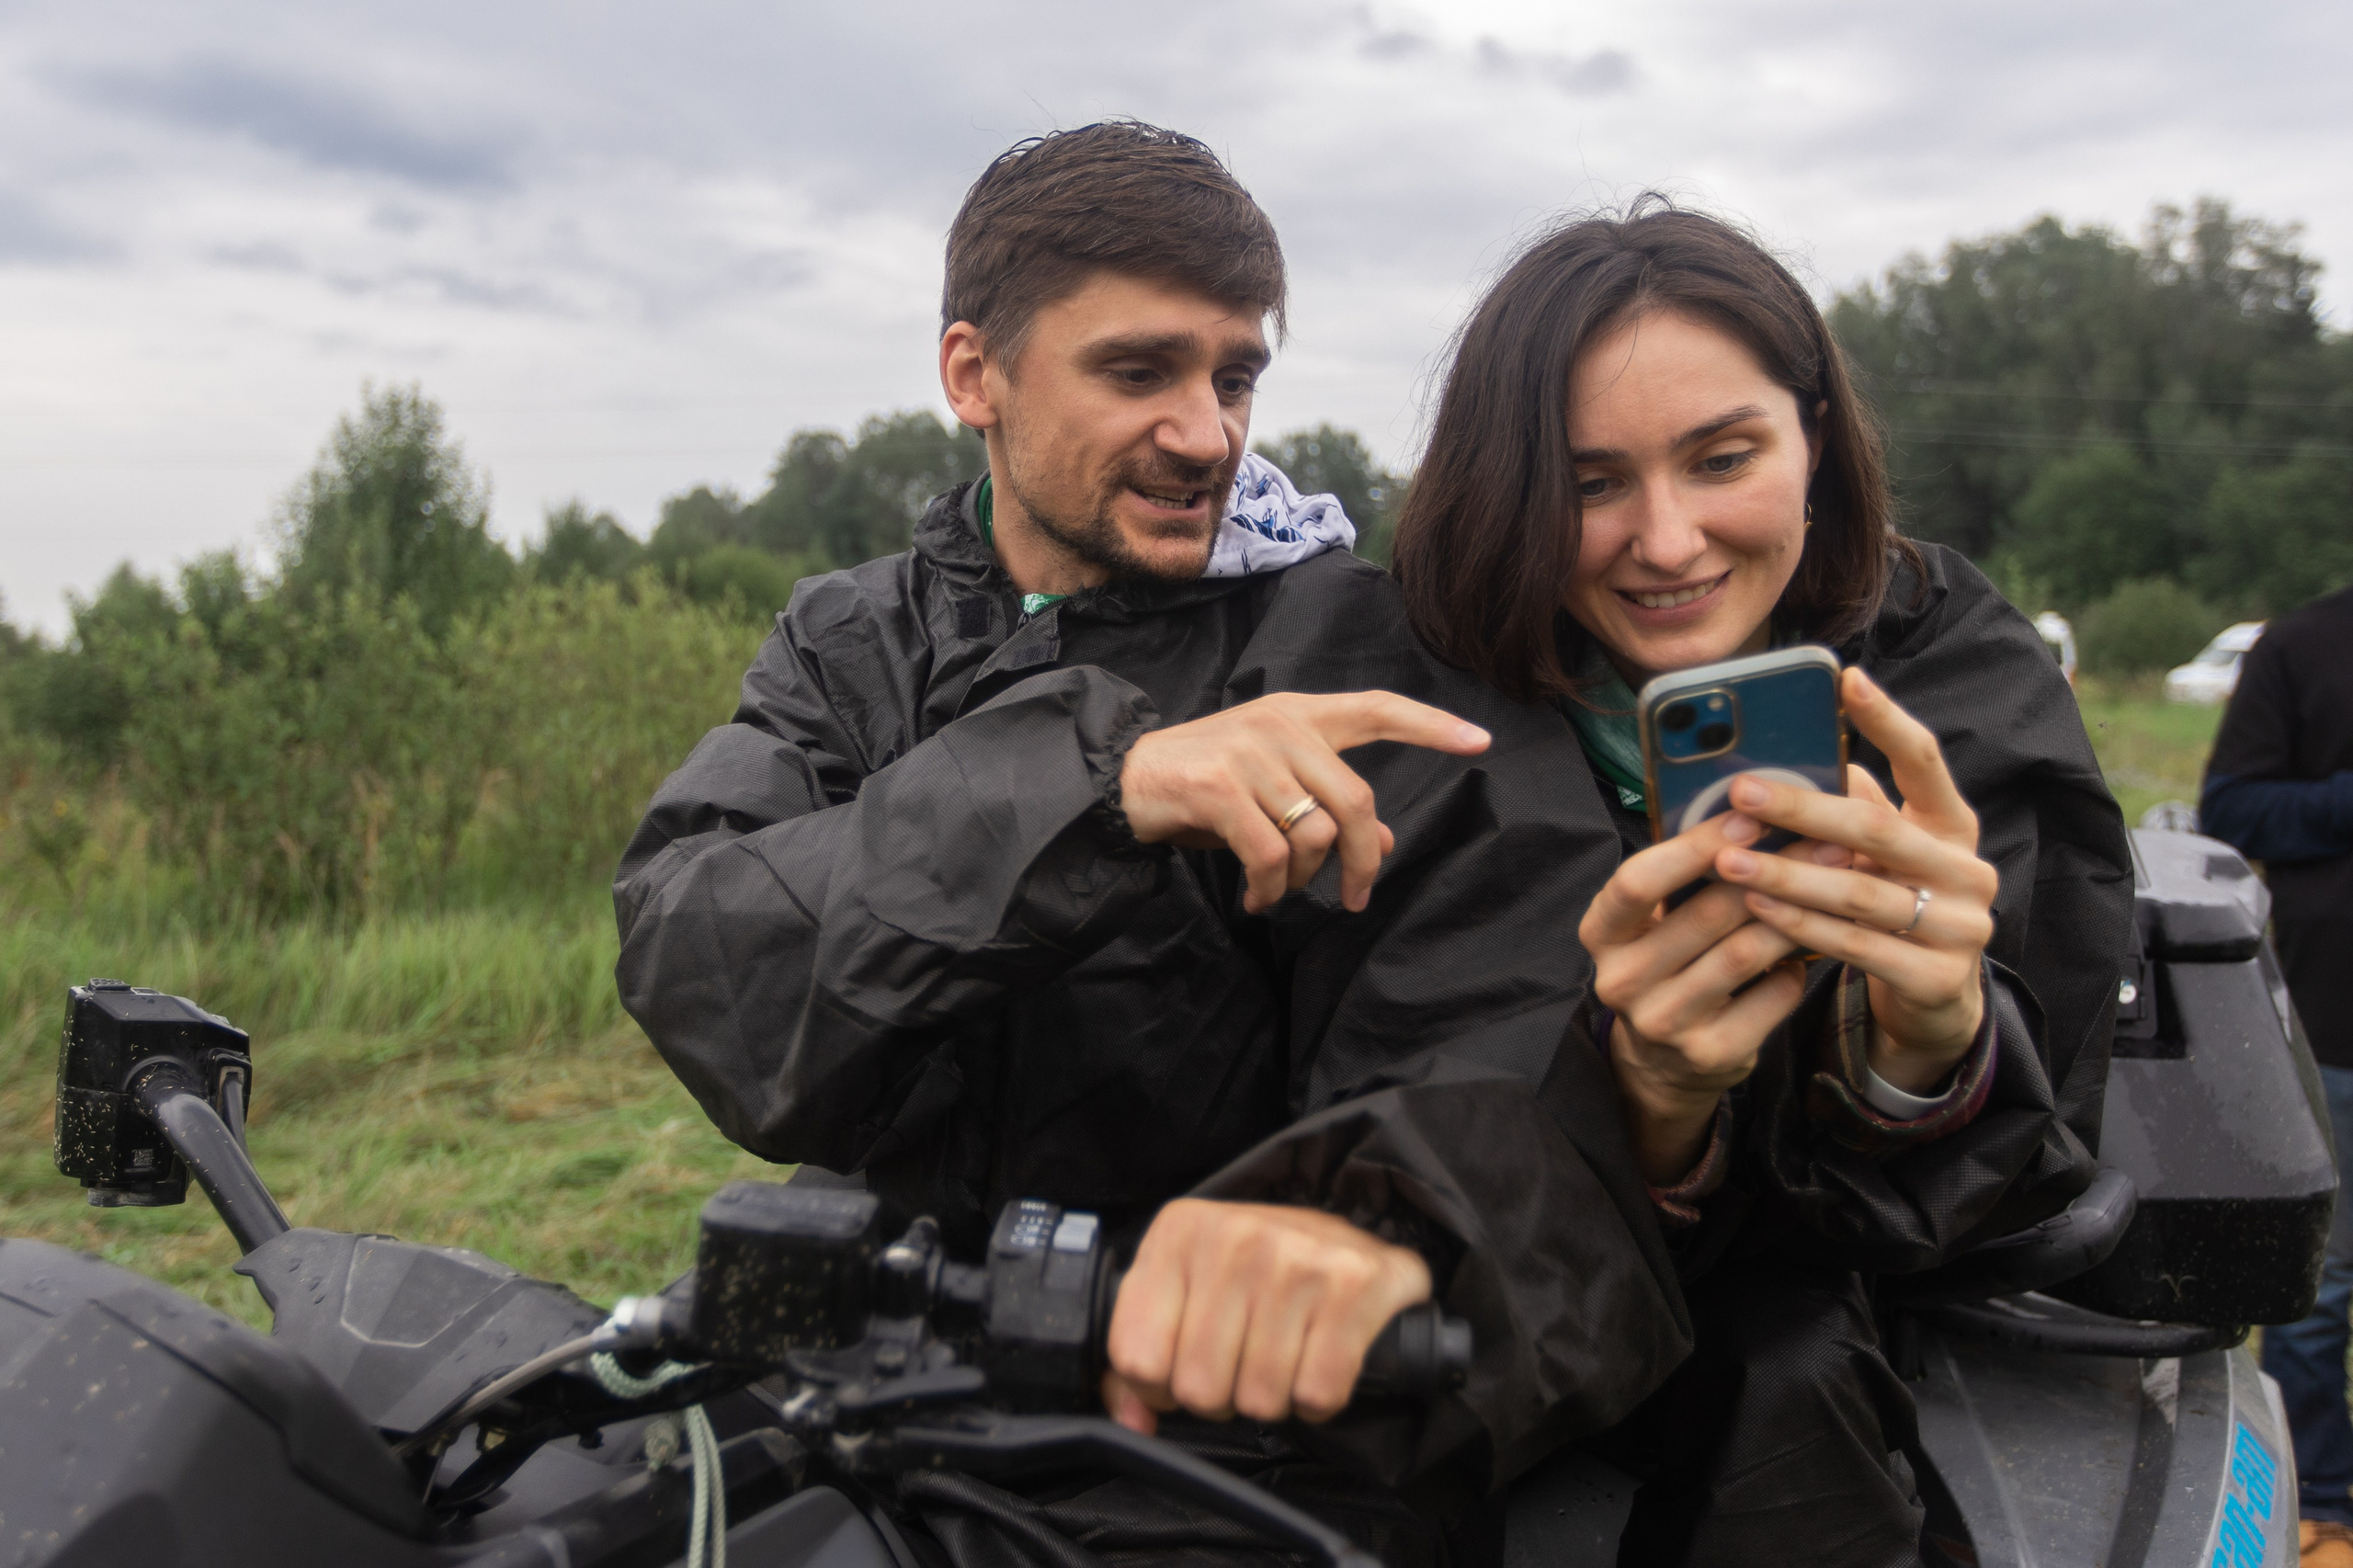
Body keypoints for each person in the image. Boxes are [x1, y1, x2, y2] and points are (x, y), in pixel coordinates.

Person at [615, 123, 1690, 1566]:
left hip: (1236, 1451)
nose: (1207, 433)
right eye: (1140, 372)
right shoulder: (850, 640)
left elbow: (1504, 1072)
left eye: (1234, 376)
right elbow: (701, 963)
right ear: (973, 375)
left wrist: (1367, 1242)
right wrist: (1094, 782)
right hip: (862, 1376)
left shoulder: (1365, 654)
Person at [1389, 201, 2134, 1566]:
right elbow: (1367, 1105)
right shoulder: (1412, 712)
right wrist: (1648, 1109)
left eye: (1722, 457)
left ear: (1815, 443)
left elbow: (2029, 1131)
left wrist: (1926, 1046)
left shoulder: (1954, 669)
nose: (1667, 540)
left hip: (1830, 1363)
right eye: (1590, 483)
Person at [2200, 586, 2353, 1568]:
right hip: (2337, 1023)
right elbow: (2232, 809)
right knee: (2322, 1282)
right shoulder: (2302, 645)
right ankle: (2324, 1503)